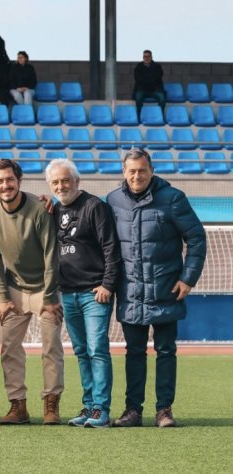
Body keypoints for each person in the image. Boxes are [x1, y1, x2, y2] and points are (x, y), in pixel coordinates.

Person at [107, 149, 206, 428]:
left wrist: (188, 278)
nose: (137, 176)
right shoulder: (113, 201)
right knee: (133, 352)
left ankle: (164, 410)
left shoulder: (173, 199)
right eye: (131, 171)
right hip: (130, 292)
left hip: (166, 290)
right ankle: (132, 411)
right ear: (124, 172)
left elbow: (197, 238)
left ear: (151, 171)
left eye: (142, 170)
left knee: (166, 351)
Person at [0, 159, 64, 425]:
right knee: (10, 348)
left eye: (10, 180)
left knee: (51, 347)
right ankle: (18, 406)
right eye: (0, 181)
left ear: (19, 181)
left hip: (45, 289)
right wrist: (3, 299)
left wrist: (49, 297)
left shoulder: (39, 209)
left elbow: (52, 255)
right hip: (14, 288)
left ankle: (51, 405)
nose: (6, 185)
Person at [46, 159, 120, 428]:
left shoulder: (95, 207)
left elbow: (112, 248)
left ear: (77, 181)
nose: (61, 185)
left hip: (94, 293)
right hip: (68, 293)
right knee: (80, 351)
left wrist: (108, 284)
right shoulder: (54, 210)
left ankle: (101, 409)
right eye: (55, 182)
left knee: (97, 349)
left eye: (65, 180)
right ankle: (89, 406)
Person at [133, 50, 165, 114]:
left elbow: (158, 78)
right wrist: (149, 79)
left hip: (155, 89)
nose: (146, 58)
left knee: (162, 98)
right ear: (143, 57)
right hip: (142, 89)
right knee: (138, 98)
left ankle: (160, 115)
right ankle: (139, 116)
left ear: (151, 57)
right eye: (145, 56)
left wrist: (146, 79)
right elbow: (138, 79)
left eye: (148, 56)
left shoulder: (157, 67)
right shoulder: (138, 67)